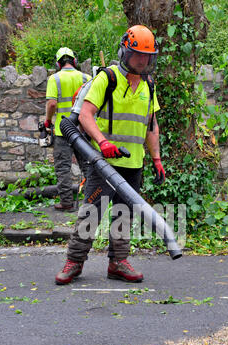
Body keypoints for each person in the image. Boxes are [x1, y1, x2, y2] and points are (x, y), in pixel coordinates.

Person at [55, 25, 165, 284]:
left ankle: (118, 262)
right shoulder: (108, 78)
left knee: (124, 214)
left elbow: (152, 125)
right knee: (91, 213)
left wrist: (157, 159)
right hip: (104, 164)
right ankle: (74, 261)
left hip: (133, 164)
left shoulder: (149, 85)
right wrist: (102, 142)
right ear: (126, 52)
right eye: (139, 54)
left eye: (148, 56)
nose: (143, 60)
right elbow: (84, 115)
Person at [45, 47, 91, 211]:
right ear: (75, 61)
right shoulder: (87, 78)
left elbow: (52, 104)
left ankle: (66, 202)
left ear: (58, 63)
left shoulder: (54, 79)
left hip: (62, 131)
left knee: (63, 168)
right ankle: (90, 201)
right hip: (83, 130)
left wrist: (47, 121)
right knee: (88, 166)